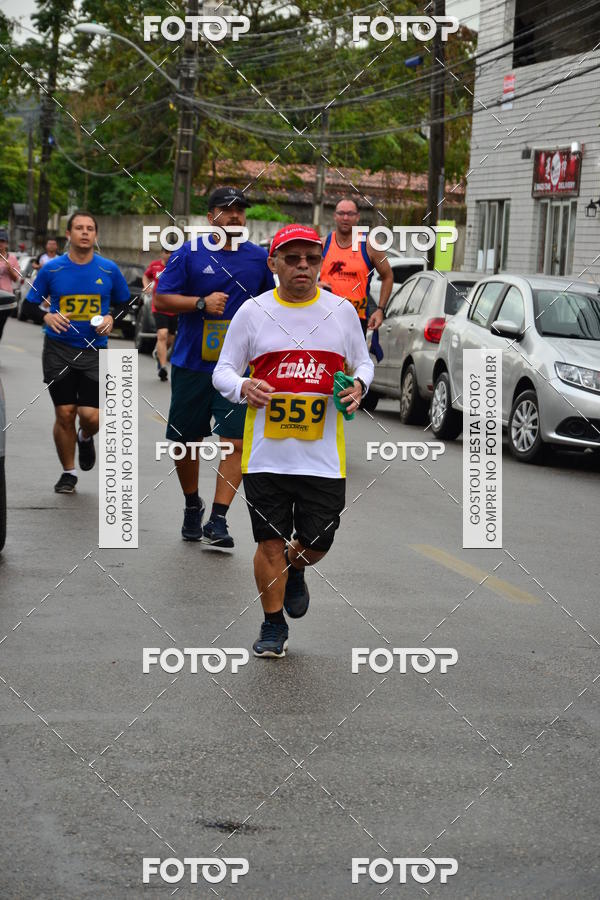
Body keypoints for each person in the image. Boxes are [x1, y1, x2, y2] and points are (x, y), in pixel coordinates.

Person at [213, 224, 374, 658]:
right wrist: (243, 386)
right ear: (274, 264)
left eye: (310, 258)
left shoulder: (340, 311)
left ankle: (296, 565)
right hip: (267, 456)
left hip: (322, 459)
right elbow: (223, 370)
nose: (302, 266)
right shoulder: (252, 312)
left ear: (319, 263)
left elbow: (364, 363)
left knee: (317, 544)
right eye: (291, 258)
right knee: (268, 543)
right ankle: (272, 625)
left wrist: (358, 387)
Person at [155, 186, 275, 548]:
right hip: (194, 362)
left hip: (240, 369)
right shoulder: (189, 253)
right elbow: (161, 297)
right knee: (185, 441)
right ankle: (193, 504)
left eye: (241, 211)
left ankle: (218, 519)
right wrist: (200, 303)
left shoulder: (258, 258)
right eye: (227, 210)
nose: (235, 216)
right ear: (211, 217)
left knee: (235, 442)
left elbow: (272, 304)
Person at [23, 211, 130, 494]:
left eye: (90, 228)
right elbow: (29, 305)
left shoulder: (108, 270)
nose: (85, 232)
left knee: (90, 416)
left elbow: (125, 303)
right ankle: (68, 473)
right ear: (68, 234)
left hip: (95, 352)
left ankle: (85, 437)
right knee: (65, 412)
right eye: (79, 228)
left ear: (96, 235)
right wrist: (46, 317)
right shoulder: (52, 270)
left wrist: (111, 318)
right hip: (58, 350)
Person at [320, 196, 394, 334]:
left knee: (352, 357)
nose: (345, 218)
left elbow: (388, 276)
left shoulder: (369, 246)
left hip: (356, 318)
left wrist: (380, 310)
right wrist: (314, 285)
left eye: (350, 214)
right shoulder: (323, 244)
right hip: (324, 317)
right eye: (341, 213)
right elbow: (304, 271)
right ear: (335, 216)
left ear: (358, 217)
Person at [143, 247, 174, 381]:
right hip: (159, 306)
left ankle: (158, 352)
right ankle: (163, 367)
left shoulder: (178, 267)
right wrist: (146, 286)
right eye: (166, 252)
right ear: (162, 253)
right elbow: (146, 275)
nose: (169, 255)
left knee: (170, 339)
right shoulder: (155, 266)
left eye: (172, 253)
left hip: (175, 308)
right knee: (162, 334)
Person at [0, 230, 20, 342]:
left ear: (6, 243)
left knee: (0, 326)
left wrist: (9, 269)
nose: (0, 244)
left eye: (2, 241)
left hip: (5, 299)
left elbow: (16, 278)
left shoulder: (11, 259)